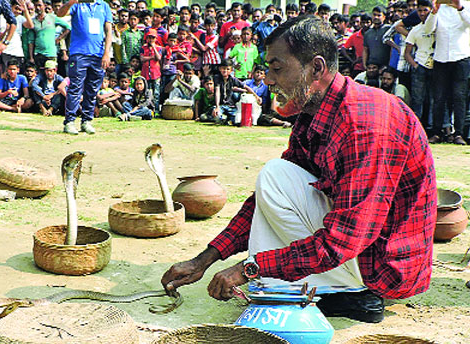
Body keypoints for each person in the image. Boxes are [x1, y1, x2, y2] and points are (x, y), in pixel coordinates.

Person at [161, 16, 437, 324]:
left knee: (274, 182)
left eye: (277, 68)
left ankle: (355, 294)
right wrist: (206, 259)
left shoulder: (366, 125)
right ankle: (308, 285)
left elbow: (342, 240)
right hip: (358, 244)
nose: (267, 79)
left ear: (315, 68)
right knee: (275, 177)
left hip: (383, 264)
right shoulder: (313, 112)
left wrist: (248, 268)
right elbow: (263, 201)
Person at [57, 0, 113, 135]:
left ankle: (86, 121)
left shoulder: (103, 6)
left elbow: (109, 31)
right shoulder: (77, 4)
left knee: (92, 89)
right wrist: (72, 1)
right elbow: (59, 14)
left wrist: (106, 53)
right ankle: (69, 121)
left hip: (98, 54)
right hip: (79, 53)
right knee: (75, 88)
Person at [423, 0, 470, 145]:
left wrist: (460, 8)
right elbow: (428, 30)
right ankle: (438, 132)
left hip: (461, 56)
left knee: (459, 96)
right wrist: (434, 11)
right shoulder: (438, 7)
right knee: (439, 97)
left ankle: (458, 134)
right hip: (441, 57)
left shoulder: (466, 5)